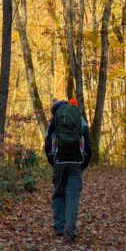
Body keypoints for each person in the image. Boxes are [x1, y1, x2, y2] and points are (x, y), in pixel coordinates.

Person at [44, 97, 91, 242]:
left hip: (59, 162)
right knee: (72, 196)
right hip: (76, 162)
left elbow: (47, 145)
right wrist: (82, 165)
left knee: (59, 194)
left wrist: (53, 163)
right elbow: (88, 146)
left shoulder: (54, 121)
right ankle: (69, 230)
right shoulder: (79, 119)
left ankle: (59, 228)